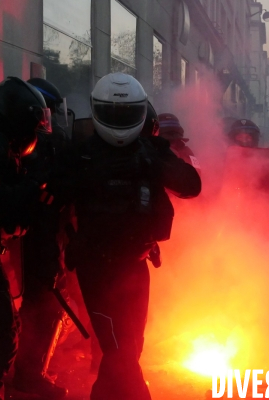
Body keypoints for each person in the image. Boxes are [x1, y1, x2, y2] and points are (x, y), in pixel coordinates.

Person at [52, 72, 201, 400]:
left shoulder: (150, 152)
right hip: (97, 269)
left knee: (129, 348)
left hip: (135, 265)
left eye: (126, 113)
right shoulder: (82, 155)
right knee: (120, 351)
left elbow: (192, 185)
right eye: (112, 112)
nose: (119, 121)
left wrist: (156, 162)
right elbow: (52, 201)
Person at [0, 76, 63, 399]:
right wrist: (33, 189)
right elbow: (0, 205)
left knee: (8, 327)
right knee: (5, 330)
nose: (35, 138)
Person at [8, 78, 72, 398]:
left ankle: (30, 370)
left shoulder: (31, 142)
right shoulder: (40, 146)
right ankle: (29, 374)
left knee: (45, 303)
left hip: (42, 235)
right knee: (43, 304)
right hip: (39, 238)